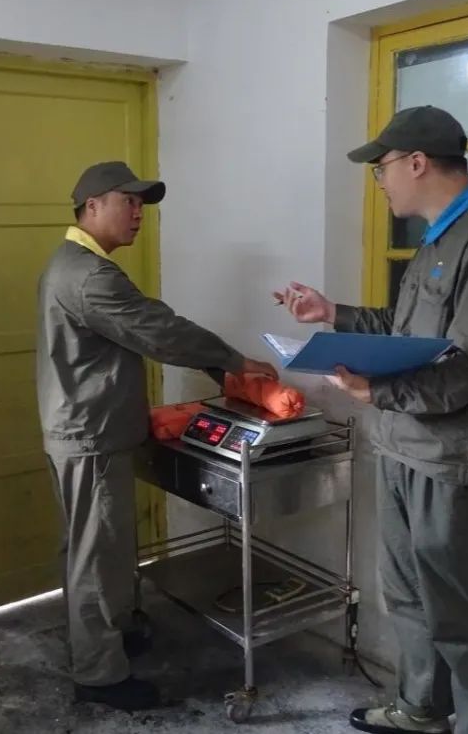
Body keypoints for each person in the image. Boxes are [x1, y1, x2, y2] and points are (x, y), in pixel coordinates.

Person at [275, 106, 468, 734]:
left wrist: (378, 392)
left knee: (461, 614)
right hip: (404, 446)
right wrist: (331, 314)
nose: (380, 182)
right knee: (408, 595)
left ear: (417, 163)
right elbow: (406, 332)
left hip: (452, 459)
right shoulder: (437, 239)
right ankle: (422, 709)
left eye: (381, 168)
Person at [37, 161, 277, 712]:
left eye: (142, 204)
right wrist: (235, 361)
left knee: (95, 547)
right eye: (129, 201)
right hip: (91, 435)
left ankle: (110, 635)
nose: (138, 213)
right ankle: (99, 673)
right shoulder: (89, 276)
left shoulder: (74, 264)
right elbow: (158, 330)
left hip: (84, 429)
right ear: (93, 205)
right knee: (97, 555)